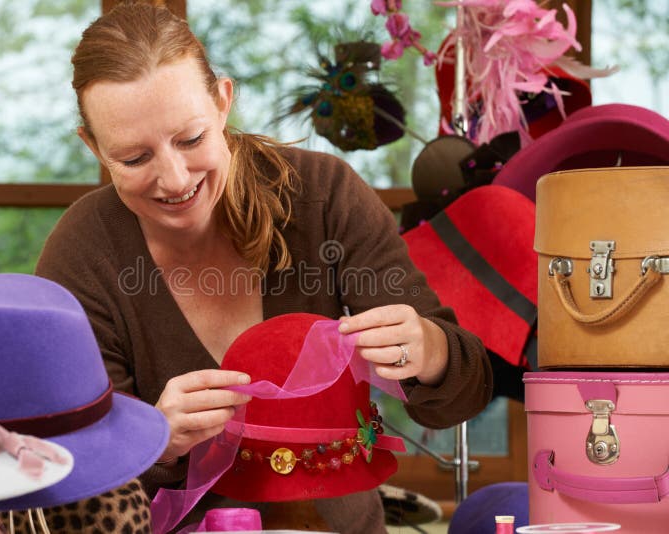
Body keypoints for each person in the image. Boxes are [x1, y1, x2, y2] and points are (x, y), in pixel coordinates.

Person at [35, 2, 492, 532]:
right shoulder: (84, 253)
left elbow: (464, 395)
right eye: (135, 159)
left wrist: (430, 351)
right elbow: (67, 482)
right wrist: (153, 440)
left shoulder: (324, 197)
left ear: (223, 101)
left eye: (191, 139)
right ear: (93, 146)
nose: (175, 178)